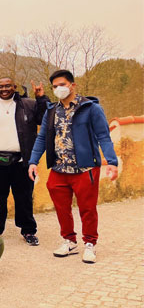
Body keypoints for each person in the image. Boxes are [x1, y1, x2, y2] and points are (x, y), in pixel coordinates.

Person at [28, 69, 119, 264]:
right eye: (54, 86)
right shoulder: (51, 111)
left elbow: (104, 136)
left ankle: (90, 243)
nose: (58, 89)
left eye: (62, 84)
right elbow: (42, 137)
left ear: (72, 85)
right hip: (59, 169)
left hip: (85, 169)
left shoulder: (91, 108)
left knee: (87, 209)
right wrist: (33, 162)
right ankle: (69, 240)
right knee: (62, 208)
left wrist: (111, 162)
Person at [0, 78, 48, 245]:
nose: (4, 89)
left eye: (7, 86)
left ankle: (28, 231)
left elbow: (43, 119)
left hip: (21, 161)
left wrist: (41, 98)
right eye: (1, 86)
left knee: (24, 197)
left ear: (14, 87)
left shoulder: (28, 104)